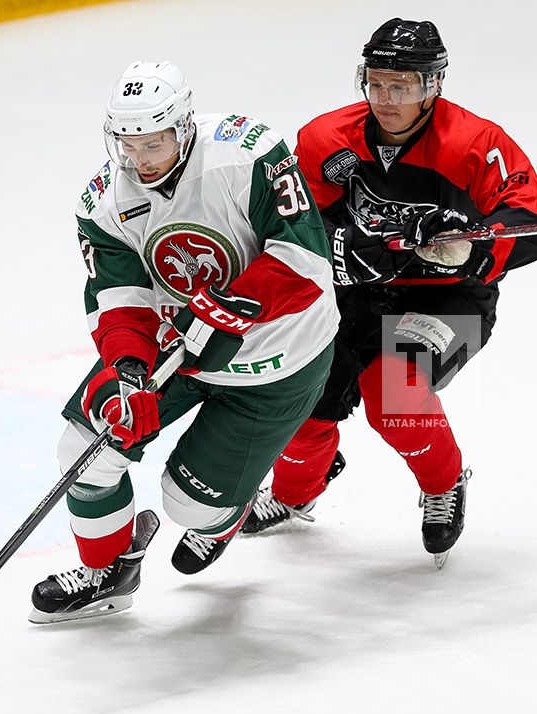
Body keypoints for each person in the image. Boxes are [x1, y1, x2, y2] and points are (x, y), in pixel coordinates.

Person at [28, 61, 339, 624]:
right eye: (127, 146)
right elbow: (120, 297)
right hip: (179, 347)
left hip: (279, 357)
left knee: (189, 505)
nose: (140, 160)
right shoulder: (104, 201)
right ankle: (108, 573)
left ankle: (226, 511)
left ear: (184, 126)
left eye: (153, 143)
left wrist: (230, 307)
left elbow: (304, 259)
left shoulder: (247, 153)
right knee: (84, 451)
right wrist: (128, 369)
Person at [239, 19, 537, 566]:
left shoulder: (476, 143)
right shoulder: (325, 138)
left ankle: (444, 483)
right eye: (376, 83)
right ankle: (294, 495)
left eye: (401, 86)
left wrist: (472, 249)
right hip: (356, 293)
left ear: (433, 85)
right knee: (303, 398)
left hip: (451, 299)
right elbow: (294, 224)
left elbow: (535, 228)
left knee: (394, 394)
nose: (385, 99)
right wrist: (342, 240)